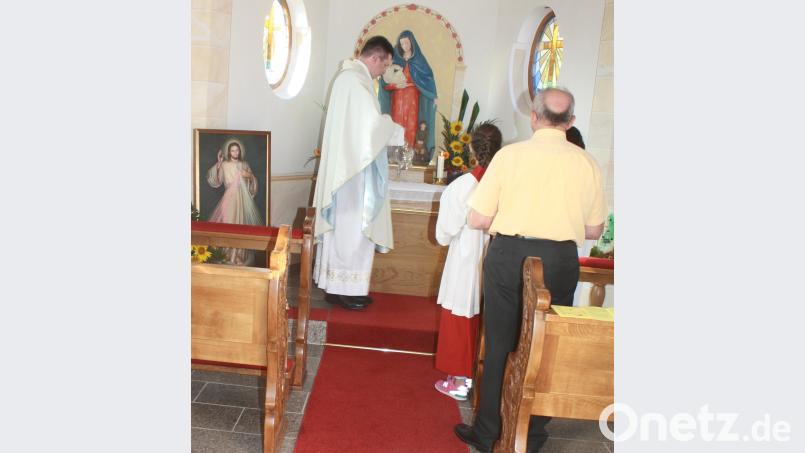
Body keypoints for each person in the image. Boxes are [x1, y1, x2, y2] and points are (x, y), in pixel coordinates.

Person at [453, 87, 607, 453]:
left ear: (534, 118)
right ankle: (533, 434)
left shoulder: (509, 157)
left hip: (510, 253)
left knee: (500, 342)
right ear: (570, 122)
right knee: (545, 344)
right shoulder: (586, 163)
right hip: (559, 260)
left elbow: (479, 218)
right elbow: (594, 229)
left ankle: (488, 430)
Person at [312, 36, 405, 311]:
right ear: (376, 58)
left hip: (350, 168)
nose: (382, 73)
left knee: (346, 231)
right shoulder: (355, 81)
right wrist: (396, 130)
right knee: (352, 230)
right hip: (352, 175)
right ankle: (344, 289)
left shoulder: (350, 80)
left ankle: (339, 287)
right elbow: (370, 128)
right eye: (383, 66)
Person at [433, 123, 502, 402]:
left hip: (466, 259)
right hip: (497, 260)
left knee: (461, 314)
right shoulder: (503, 183)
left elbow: (444, 234)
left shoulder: (462, 186)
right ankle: (480, 377)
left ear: (471, 149)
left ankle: (461, 381)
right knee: (485, 318)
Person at [379, 30, 437, 162]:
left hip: (413, 98)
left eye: (406, 43)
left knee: (411, 124)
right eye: (402, 43)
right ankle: (394, 155)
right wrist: (395, 86)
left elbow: (428, 79)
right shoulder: (395, 59)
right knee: (397, 123)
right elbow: (384, 82)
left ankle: (409, 154)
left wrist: (433, 95)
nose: (404, 46)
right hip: (398, 99)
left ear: (412, 43)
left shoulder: (419, 61)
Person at [206, 139, 264, 265]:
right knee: (229, 223)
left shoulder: (244, 164)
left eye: (237, 150)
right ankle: (228, 255)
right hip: (229, 198)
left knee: (240, 225)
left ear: (240, 151)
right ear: (229, 151)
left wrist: (247, 175)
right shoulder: (225, 164)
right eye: (232, 150)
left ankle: (238, 256)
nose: (235, 152)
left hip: (242, 199)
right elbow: (218, 180)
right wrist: (219, 164)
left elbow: (252, 179)